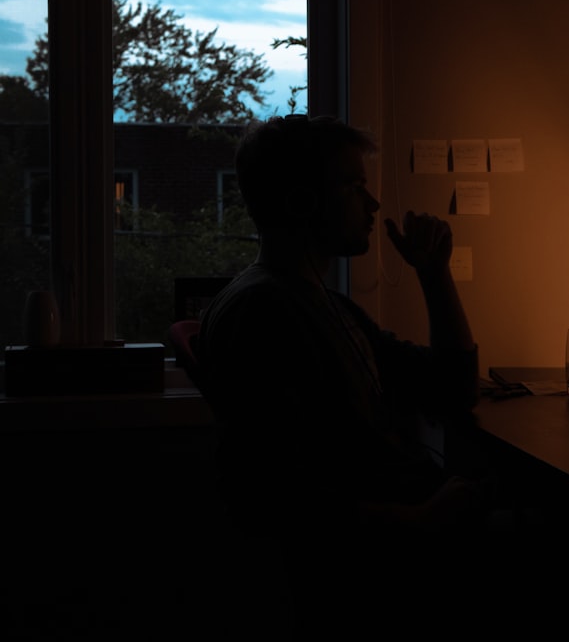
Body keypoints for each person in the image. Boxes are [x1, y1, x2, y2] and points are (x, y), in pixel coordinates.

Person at [195, 114, 491, 631]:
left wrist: (434, 273)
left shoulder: (324, 306)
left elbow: (451, 385)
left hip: (397, 532)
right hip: (369, 570)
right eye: (354, 187)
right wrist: (421, 523)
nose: (373, 204)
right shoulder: (265, 314)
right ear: (302, 201)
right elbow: (271, 494)